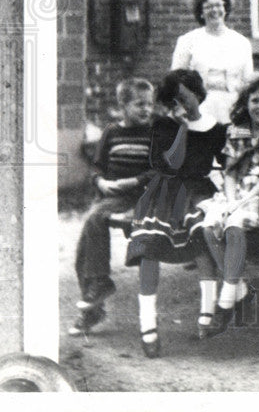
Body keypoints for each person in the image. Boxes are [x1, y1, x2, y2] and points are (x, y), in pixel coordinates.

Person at [125, 70, 227, 357]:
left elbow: (230, 163)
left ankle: (207, 315)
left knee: (201, 237)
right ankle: (148, 325)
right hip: (165, 191)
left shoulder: (216, 129)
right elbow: (168, 164)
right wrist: (181, 128)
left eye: (185, 98)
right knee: (149, 244)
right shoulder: (164, 126)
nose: (181, 106)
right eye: (174, 101)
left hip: (198, 192)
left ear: (198, 94)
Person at [197, 73, 259, 338]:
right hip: (235, 192)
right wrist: (231, 201)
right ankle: (240, 287)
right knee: (209, 225)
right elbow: (230, 173)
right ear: (246, 102)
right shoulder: (237, 131)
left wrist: (241, 203)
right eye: (256, 100)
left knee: (234, 224)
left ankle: (226, 302)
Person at [69, 78, 155, 335]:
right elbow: (96, 166)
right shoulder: (111, 133)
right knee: (88, 234)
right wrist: (101, 182)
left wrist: (133, 180)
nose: (146, 110)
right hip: (114, 195)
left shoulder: (154, 134)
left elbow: (162, 169)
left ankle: (99, 284)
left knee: (96, 218)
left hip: (144, 197)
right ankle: (94, 300)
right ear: (123, 105)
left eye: (150, 104)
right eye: (139, 104)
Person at [171, 0, 255, 125]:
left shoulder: (241, 42)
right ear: (201, 13)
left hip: (233, 108)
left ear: (225, 9)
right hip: (199, 108)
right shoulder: (188, 40)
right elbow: (176, 80)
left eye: (218, 5)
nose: (214, 10)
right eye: (208, 7)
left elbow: (248, 82)